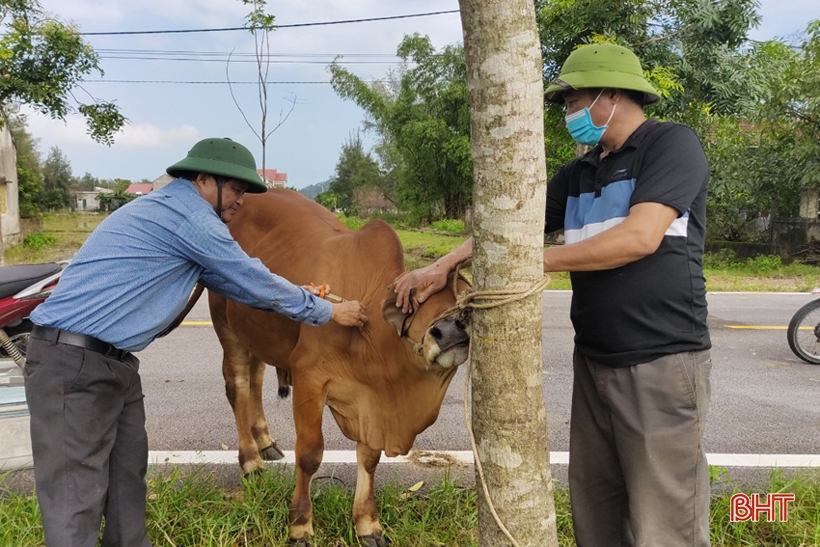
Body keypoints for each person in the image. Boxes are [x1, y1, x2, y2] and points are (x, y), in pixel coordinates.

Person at [394, 42, 712, 547]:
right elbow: (508, 228)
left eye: (572, 100)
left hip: (661, 358)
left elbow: (640, 237)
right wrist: (445, 264)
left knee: (664, 515)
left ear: (611, 95)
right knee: (596, 502)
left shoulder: (670, 145)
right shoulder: (579, 172)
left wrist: (530, 261)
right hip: (594, 358)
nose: (567, 113)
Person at [23, 137, 369, 547]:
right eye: (237, 189)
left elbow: (232, 282)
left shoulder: (173, 215)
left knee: (126, 488)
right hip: (73, 365)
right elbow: (250, 277)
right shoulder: (189, 217)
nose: (242, 200)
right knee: (74, 507)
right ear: (203, 179)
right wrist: (329, 311)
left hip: (113, 365)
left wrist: (300, 292)